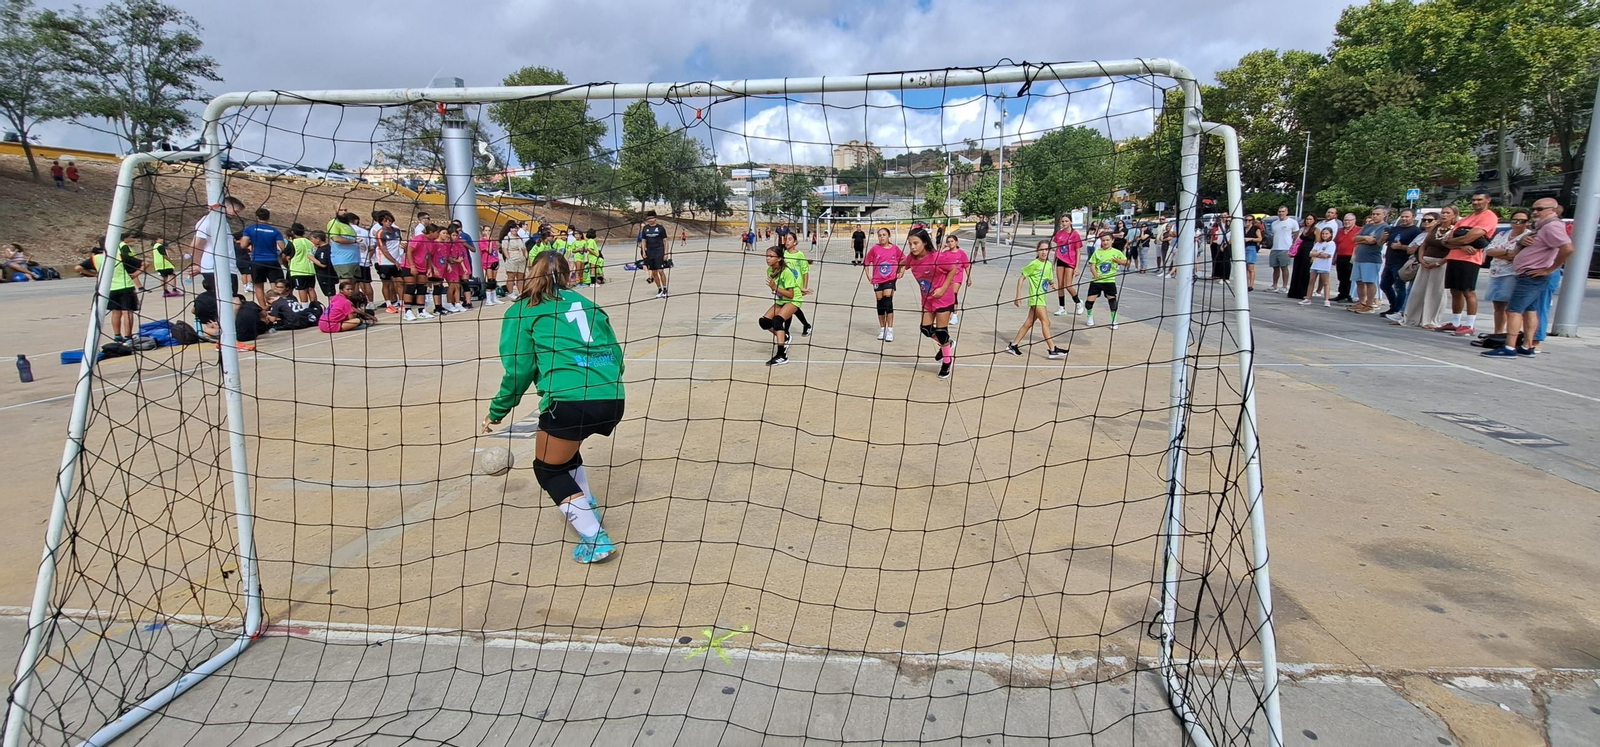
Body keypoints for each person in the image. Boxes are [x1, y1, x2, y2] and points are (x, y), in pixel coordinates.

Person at [482, 250, 626, 564]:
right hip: (613, 398)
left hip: (570, 399)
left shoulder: (525, 309)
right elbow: (616, 353)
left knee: (548, 469)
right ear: (568, 275)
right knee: (567, 453)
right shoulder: (589, 304)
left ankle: (595, 538)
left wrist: (498, 409)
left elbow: (519, 369)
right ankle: (587, 509)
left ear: (531, 273)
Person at [1483, 198, 1573, 358]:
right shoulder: (1542, 227)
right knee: (1530, 310)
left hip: (1532, 274)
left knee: (1514, 310)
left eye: (1540, 209)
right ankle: (1527, 345)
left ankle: (1509, 348)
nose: (1535, 212)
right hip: (1528, 273)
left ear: (1553, 210)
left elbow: (1567, 248)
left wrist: (1549, 269)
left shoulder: (1552, 226)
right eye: (1534, 209)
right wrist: (1522, 243)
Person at [900, 226, 959, 379]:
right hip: (927, 299)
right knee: (925, 329)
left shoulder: (937, 257)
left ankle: (947, 361)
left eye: (915, 243)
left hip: (943, 297)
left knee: (940, 331)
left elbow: (953, 270)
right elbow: (903, 263)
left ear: (925, 243)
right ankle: (947, 343)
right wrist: (899, 270)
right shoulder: (912, 257)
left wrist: (942, 288)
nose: (912, 247)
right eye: (910, 244)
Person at [1439, 191, 1497, 336]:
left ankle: (1469, 325)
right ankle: (1455, 322)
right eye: (1474, 200)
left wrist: (1455, 241)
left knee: (1468, 291)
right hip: (1454, 257)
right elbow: (1446, 240)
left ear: (1488, 200)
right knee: (1454, 291)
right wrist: (1459, 244)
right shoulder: (1467, 218)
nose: (1476, 202)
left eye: (1479, 199)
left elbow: (1469, 237)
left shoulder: (1489, 217)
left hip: (1470, 260)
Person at [1006, 240, 1070, 359]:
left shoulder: (1049, 265)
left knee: (1029, 323)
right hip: (1035, 297)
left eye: (1046, 250)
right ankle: (1052, 349)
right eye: (1041, 249)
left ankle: (1013, 345)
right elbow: (1021, 278)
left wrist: (1054, 285)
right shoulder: (1034, 264)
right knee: (1046, 322)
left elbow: (1050, 280)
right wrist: (1018, 296)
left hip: (1042, 298)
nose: (1044, 252)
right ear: (1037, 250)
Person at [78, 242, 142, 342]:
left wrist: (94, 274)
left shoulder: (96, 258)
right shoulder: (120, 256)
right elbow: (145, 264)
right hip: (126, 286)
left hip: (110, 288)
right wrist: (135, 274)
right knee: (127, 312)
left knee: (115, 312)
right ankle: (128, 337)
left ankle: (117, 335)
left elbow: (78, 268)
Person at [1482, 209, 1530, 339]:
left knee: (1512, 306)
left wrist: (1504, 252)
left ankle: (1512, 335)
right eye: (1515, 220)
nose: (1517, 223)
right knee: (1498, 304)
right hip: (1496, 272)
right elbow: (1490, 250)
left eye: (1522, 221)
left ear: (1527, 222)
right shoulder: (1502, 234)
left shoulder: (1528, 236)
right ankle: (1498, 333)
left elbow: (1518, 255)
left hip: (1513, 273)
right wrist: (1508, 253)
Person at [1403, 211, 1451, 329]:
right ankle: (1411, 318)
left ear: (1454, 215)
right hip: (1425, 261)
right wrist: (1421, 259)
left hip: (1440, 263)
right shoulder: (1435, 228)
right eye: (1443, 213)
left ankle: (1430, 319)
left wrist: (1438, 263)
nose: (1444, 215)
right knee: (1418, 291)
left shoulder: (1453, 230)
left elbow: (1452, 250)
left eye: (1447, 213)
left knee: (1435, 292)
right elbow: (1424, 245)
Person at [758, 245, 804, 366]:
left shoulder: (786, 272)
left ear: (779, 258)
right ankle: (785, 336)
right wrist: (775, 290)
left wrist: (775, 288)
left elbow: (790, 294)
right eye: (767, 256)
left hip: (793, 299)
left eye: (771, 256)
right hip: (781, 300)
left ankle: (782, 355)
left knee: (777, 322)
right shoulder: (770, 270)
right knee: (764, 322)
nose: (768, 258)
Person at [190, 195, 245, 292]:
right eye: (236, 210)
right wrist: (196, 265)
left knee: (231, 301)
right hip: (214, 268)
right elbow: (196, 245)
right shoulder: (207, 221)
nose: (236, 214)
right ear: (225, 206)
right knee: (231, 301)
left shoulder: (223, 222)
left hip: (227, 268)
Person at [239, 207, 286, 311]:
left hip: (257, 260)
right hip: (272, 260)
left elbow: (243, 245)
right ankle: (276, 307)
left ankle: (263, 307)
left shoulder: (249, 229)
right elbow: (283, 247)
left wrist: (252, 242)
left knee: (258, 286)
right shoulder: (275, 231)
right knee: (275, 285)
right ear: (268, 218)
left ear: (256, 217)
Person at [1380, 209, 1422, 321]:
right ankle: (1393, 306)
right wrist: (1383, 238)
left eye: (1407, 217)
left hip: (1402, 262)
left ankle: (1399, 310)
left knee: (1399, 287)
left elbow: (1415, 248)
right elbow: (1383, 242)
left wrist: (1401, 247)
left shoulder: (1416, 231)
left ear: (1413, 217)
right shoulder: (1395, 229)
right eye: (1402, 216)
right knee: (1384, 285)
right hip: (1389, 261)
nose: (1404, 219)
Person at [863, 228, 903, 342]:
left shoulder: (895, 248)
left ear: (888, 236)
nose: (882, 237)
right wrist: (868, 276)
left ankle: (890, 329)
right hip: (877, 280)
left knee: (888, 302)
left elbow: (903, 260)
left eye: (884, 235)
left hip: (890, 279)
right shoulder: (875, 249)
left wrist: (901, 271)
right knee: (880, 304)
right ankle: (882, 328)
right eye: (880, 235)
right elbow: (866, 262)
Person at [1348, 207, 1389, 313]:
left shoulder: (1384, 227)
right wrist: (1365, 238)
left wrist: (1362, 239)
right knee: (1359, 281)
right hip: (1360, 257)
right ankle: (1362, 302)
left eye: (1378, 214)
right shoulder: (1368, 226)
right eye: (1373, 214)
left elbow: (1375, 241)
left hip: (1371, 259)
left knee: (1369, 282)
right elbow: (1355, 238)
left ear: (1384, 215)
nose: (1374, 216)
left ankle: (1370, 305)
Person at [1084, 236, 1130, 329]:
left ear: (1112, 241)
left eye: (1107, 240)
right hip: (1096, 281)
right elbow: (1092, 265)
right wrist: (1095, 274)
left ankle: (1114, 321)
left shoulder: (1116, 252)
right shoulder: (1097, 252)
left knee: (1112, 302)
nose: (1105, 242)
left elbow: (1127, 262)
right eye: (1103, 240)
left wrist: (1118, 261)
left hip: (1109, 281)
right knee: (1089, 302)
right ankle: (1089, 317)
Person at [780, 232, 813, 336]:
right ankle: (806, 325)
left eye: (790, 239)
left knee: (789, 307)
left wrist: (805, 287)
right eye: (786, 239)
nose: (787, 241)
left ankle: (786, 332)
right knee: (791, 307)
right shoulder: (783, 254)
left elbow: (805, 270)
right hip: (786, 285)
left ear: (795, 242)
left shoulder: (799, 254)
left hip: (797, 286)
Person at [372, 211, 405, 313]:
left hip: (397, 261)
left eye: (390, 220)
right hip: (385, 262)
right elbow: (383, 250)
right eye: (386, 221)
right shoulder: (380, 233)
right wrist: (394, 261)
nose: (388, 222)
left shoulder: (397, 230)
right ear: (381, 222)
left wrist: (403, 249)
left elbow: (400, 243)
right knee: (386, 284)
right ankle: (389, 304)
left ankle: (402, 303)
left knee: (400, 282)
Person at [1051, 216, 1084, 316]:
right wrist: (1053, 263)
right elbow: (1056, 249)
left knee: (1068, 285)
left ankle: (1078, 302)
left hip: (1070, 261)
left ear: (1070, 222)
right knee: (1060, 285)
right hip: (1060, 260)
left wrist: (1077, 267)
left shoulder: (1075, 235)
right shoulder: (1059, 234)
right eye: (1062, 221)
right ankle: (1062, 307)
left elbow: (1078, 251)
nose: (1064, 223)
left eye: (1066, 221)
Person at [1300, 227, 1337, 307]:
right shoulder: (1318, 243)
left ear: (1330, 234)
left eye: (1326, 234)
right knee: (1311, 282)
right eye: (1323, 233)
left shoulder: (1331, 243)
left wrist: (1317, 254)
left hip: (1324, 266)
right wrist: (1319, 254)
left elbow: (1326, 255)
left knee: (1325, 282)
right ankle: (1308, 298)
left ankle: (1326, 300)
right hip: (1315, 265)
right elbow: (1311, 253)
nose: (1324, 235)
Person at [636, 211, 670, 298]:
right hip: (649, 252)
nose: (650, 220)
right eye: (648, 219)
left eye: (652, 218)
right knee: (654, 272)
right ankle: (659, 289)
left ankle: (665, 289)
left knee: (660, 270)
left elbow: (665, 241)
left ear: (655, 219)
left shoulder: (660, 228)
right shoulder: (645, 229)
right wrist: (643, 252)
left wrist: (666, 253)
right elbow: (643, 241)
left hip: (659, 251)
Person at [283, 223, 318, 304]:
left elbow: (284, 255)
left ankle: (304, 307)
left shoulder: (293, 242)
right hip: (310, 269)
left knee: (301, 289)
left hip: (298, 270)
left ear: (293, 232)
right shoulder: (310, 242)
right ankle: (315, 306)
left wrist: (286, 263)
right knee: (311, 289)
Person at [942, 235, 971, 326]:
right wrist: (941, 248)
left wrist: (969, 277)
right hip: (947, 278)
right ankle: (947, 315)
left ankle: (954, 315)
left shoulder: (961, 254)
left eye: (952, 241)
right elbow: (936, 258)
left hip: (957, 278)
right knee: (946, 297)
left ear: (956, 242)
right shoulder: (945, 253)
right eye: (948, 242)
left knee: (954, 295)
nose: (950, 243)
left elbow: (967, 266)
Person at [325, 211, 361, 282]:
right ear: (336, 211)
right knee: (346, 285)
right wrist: (354, 241)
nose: (344, 212)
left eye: (345, 210)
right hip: (343, 261)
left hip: (354, 260)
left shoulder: (347, 224)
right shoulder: (334, 223)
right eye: (341, 210)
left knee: (355, 284)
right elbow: (336, 238)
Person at [1268, 208, 1296, 292]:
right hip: (1275, 248)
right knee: (1275, 267)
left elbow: (1296, 234)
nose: (1281, 213)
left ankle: (1284, 286)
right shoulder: (1274, 223)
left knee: (1284, 267)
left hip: (1285, 248)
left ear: (1287, 212)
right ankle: (1274, 285)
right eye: (1279, 211)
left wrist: (1293, 245)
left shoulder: (1292, 222)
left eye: (1283, 211)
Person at [1331, 213, 1358, 302]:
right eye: (1345, 220)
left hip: (1351, 257)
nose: (1346, 222)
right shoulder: (1340, 231)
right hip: (1340, 255)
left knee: (1349, 277)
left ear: (1354, 221)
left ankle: (1348, 295)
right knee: (1341, 276)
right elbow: (1336, 243)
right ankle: (1341, 294)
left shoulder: (1358, 230)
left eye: (1349, 220)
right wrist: (1334, 257)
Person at [499, 222, 527, 300]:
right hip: (512, 258)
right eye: (512, 228)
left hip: (521, 259)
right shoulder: (507, 238)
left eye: (515, 228)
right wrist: (508, 258)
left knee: (520, 276)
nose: (514, 230)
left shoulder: (519, 238)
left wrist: (526, 257)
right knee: (511, 276)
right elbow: (504, 249)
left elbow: (524, 249)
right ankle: (510, 292)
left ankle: (521, 292)